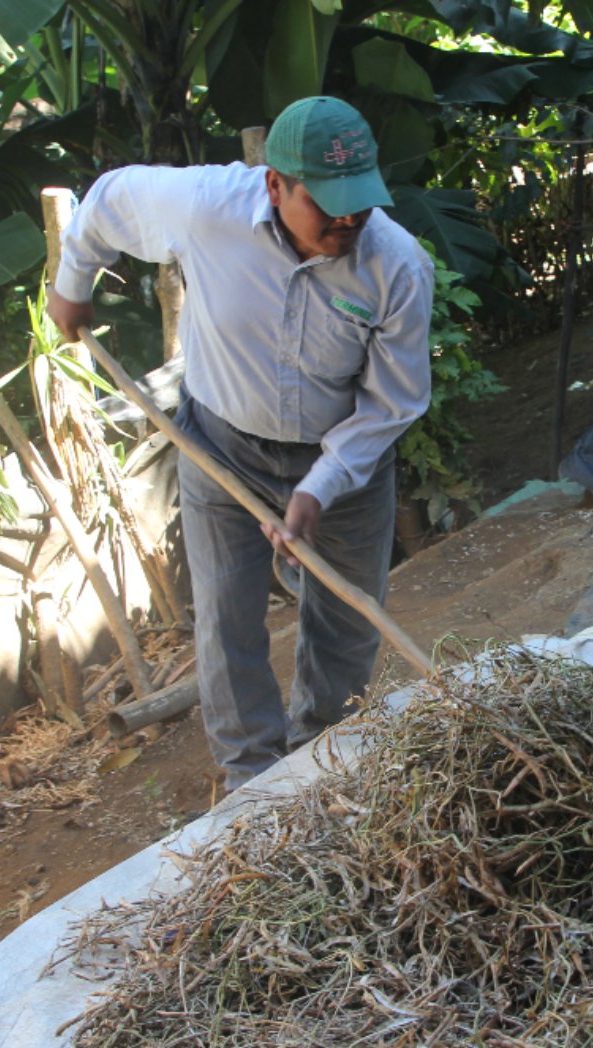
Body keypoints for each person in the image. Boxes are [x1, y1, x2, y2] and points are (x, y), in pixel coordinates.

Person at [48, 96, 434, 792]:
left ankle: (326, 760)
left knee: (345, 619)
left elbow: (392, 403)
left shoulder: (395, 267)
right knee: (227, 621)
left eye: (361, 202)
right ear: (274, 186)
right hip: (221, 449)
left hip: (342, 462)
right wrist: (71, 287)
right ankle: (251, 785)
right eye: (328, 204)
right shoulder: (204, 207)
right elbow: (106, 200)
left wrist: (319, 487)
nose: (348, 220)